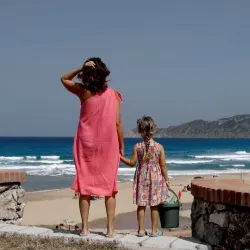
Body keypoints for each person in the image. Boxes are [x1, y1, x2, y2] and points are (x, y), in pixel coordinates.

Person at [61, 57, 124, 237]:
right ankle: (110, 230)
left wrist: (80, 67)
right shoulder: (114, 94)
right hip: (108, 144)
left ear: (86, 74)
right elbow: (118, 124)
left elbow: (64, 79)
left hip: (85, 144)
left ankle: (85, 229)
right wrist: (121, 146)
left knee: (85, 187)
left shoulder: (83, 92)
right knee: (109, 187)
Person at [120, 116, 169, 237]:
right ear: (153, 130)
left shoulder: (137, 147)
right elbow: (163, 166)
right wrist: (166, 179)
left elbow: (131, 163)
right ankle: (153, 231)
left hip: (142, 176)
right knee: (154, 206)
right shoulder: (159, 147)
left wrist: (119, 157)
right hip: (156, 177)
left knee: (141, 205)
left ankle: (141, 230)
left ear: (140, 131)